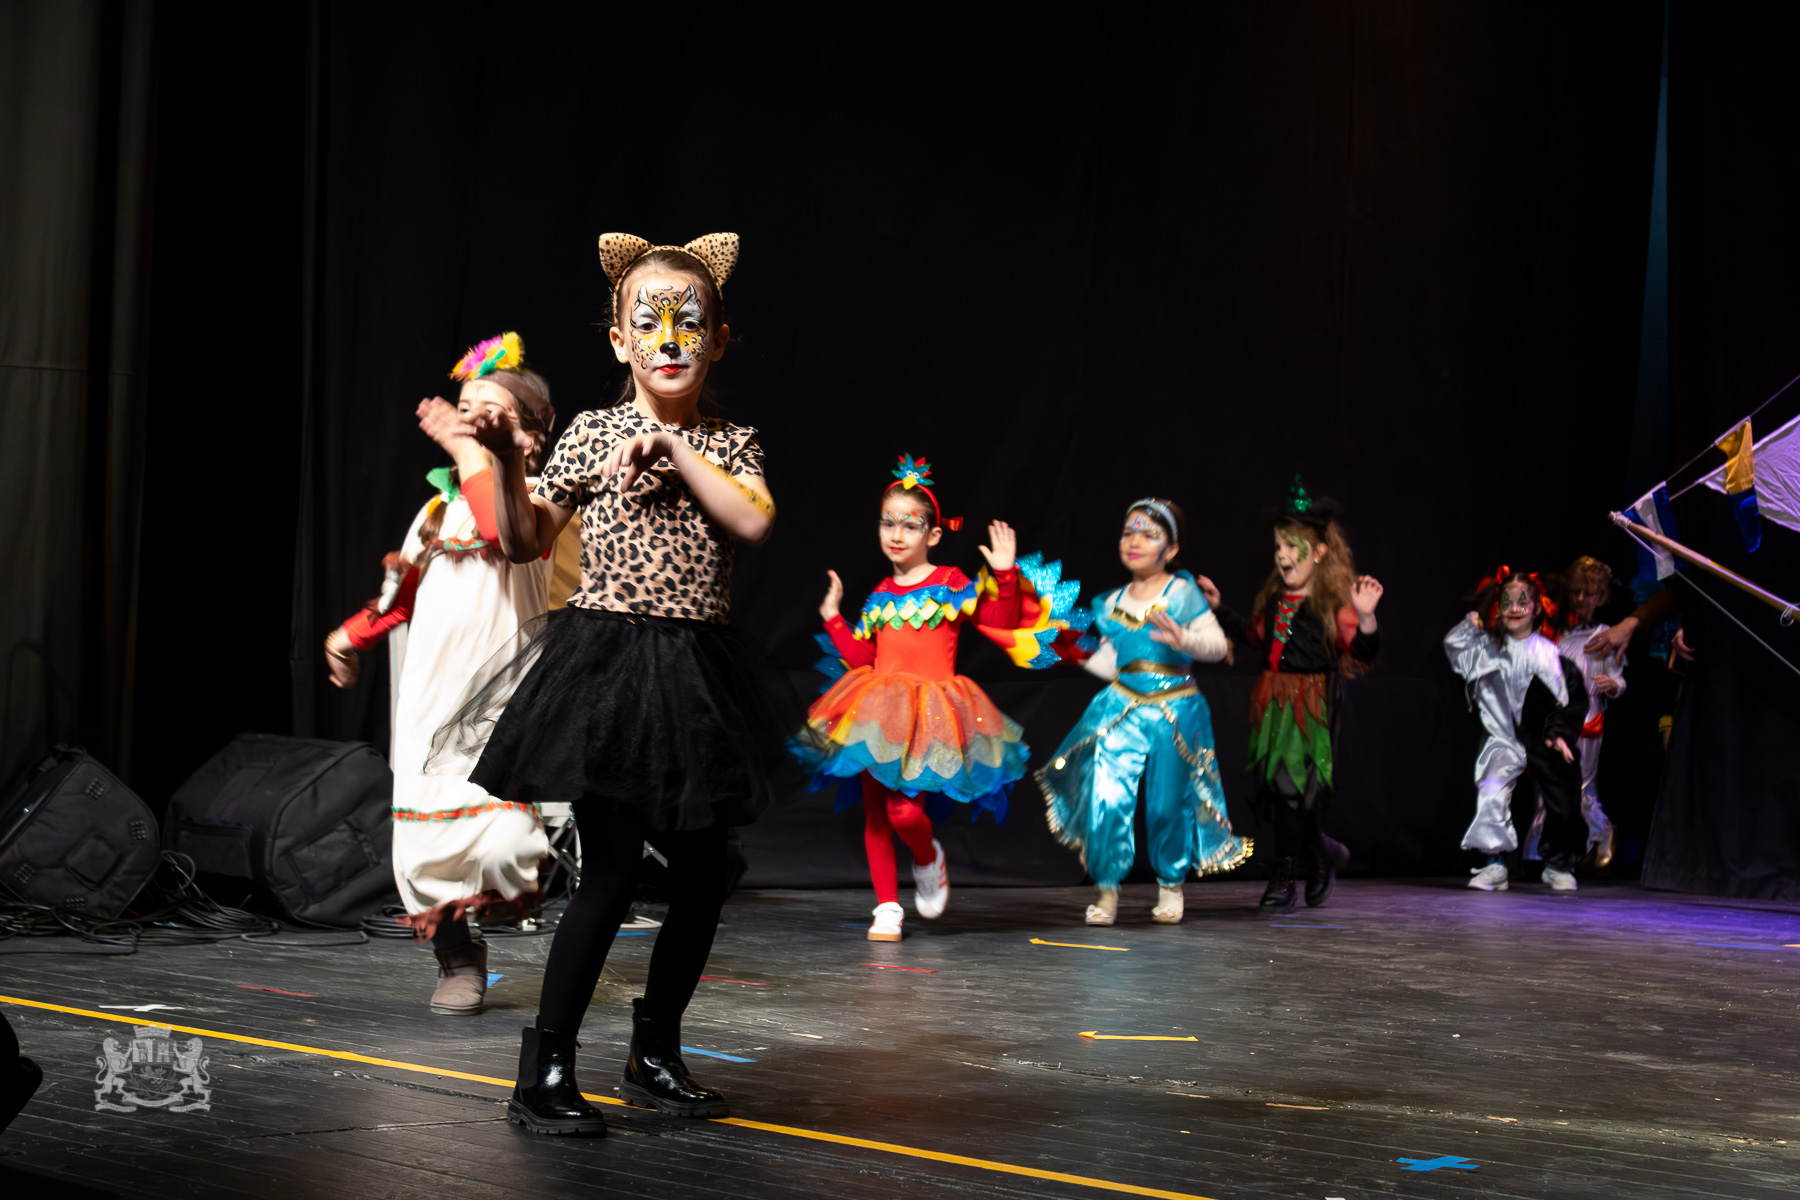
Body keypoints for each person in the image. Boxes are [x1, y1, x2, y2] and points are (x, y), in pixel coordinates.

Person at [435, 232, 783, 1135]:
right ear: (621, 340)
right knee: (615, 869)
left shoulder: (731, 443)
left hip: (695, 675)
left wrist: (670, 444)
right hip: (611, 670)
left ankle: (653, 1050)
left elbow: (751, 520)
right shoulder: (592, 432)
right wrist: (508, 460)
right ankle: (545, 1068)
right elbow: (524, 541)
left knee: (703, 874)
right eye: (648, 325)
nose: (669, 340)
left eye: (688, 324)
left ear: (717, 339)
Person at [322, 332, 556, 1016]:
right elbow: (402, 596)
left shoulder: (533, 498)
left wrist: (466, 447)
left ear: (530, 439)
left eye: (488, 411)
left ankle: (508, 906)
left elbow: (499, 533)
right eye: (464, 408)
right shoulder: (434, 511)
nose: (469, 419)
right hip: (432, 698)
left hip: (499, 693)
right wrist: (350, 636)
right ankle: (456, 956)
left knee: (506, 840)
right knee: (423, 848)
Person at [795, 455, 1050, 941]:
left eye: (909, 525)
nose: (896, 534)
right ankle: (887, 905)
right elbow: (863, 657)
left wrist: (1005, 575)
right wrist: (833, 617)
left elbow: (997, 621)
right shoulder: (879, 595)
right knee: (876, 813)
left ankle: (928, 855)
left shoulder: (950, 583)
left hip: (930, 712)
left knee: (904, 811)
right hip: (877, 709)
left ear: (932, 535)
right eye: (887, 522)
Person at [1039, 498, 1249, 926]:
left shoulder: (1182, 592)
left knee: (1167, 804)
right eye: (1128, 532)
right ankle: (1107, 889)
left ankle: (1170, 884)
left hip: (1176, 710)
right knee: (1106, 797)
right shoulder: (1108, 603)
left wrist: (1184, 640)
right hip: (1122, 708)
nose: (1134, 541)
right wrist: (1073, 649)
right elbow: (1113, 664)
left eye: (1149, 535)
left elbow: (1217, 646)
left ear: (1170, 549)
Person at [1204, 478, 1381, 913]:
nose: (1282, 555)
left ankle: (1285, 873)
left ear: (1318, 552)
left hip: (1313, 704)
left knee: (1295, 789)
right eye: (1278, 546)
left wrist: (1366, 617)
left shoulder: (1331, 605)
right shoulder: (1276, 600)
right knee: (1286, 789)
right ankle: (1322, 851)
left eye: (1292, 546)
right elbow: (1255, 636)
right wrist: (1218, 609)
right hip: (1275, 701)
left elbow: (1361, 649)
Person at [1444, 568, 1588, 892]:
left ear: (1536, 609)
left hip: (1542, 738)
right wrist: (1472, 623)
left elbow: (1570, 700)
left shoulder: (1549, 656)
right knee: (1491, 789)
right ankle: (1494, 863)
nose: (1514, 608)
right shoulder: (1486, 649)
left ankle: (1557, 864)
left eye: (1523, 601)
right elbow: (1454, 644)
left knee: (1564, 793)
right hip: (1502, 738)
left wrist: (1560, 734)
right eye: (1506, 601)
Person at [1526, 557, 1626, 867]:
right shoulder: (1552, 630)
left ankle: (1601, 830)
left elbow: (1619, 678)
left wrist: (1613, 685)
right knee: (1547, 785)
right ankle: (1546, 850)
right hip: (1551, 717)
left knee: (1579, 786)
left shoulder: (1605, 634)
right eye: (1575, 591)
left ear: (1601, 597)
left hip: (1586, 719)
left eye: (1589, 593)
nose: (1581, 599)